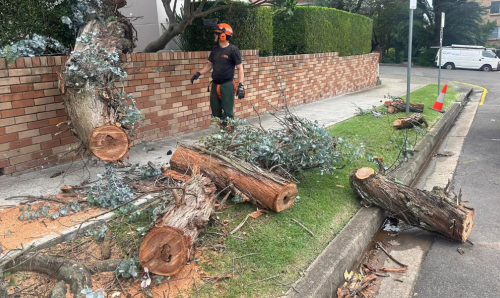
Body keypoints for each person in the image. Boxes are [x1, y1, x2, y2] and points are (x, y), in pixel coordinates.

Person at [190, 23, 245, 131]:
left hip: (227, 85)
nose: (214, 36)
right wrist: (199, 73)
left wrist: (241, 85)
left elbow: (240, 68)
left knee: (228, 112)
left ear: (223, 35)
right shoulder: (215, 49)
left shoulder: (233, 50)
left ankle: (230, 134)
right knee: (215, 111)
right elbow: (209, 65)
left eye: (216, 33)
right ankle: (223, 130)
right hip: (215, 84)